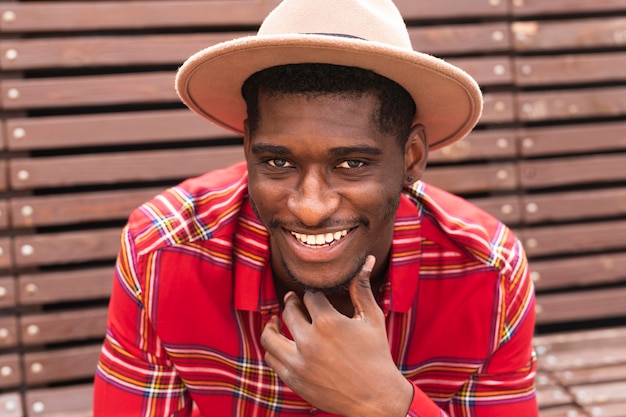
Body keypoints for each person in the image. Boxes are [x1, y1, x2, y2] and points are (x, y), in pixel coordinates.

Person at [94, 0, 538, 416]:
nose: (310, 207)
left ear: (412, 158)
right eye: (278, 162)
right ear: (248, 146)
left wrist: (385, 403)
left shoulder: (486, 274)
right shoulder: (162, 252)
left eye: (351, 164)